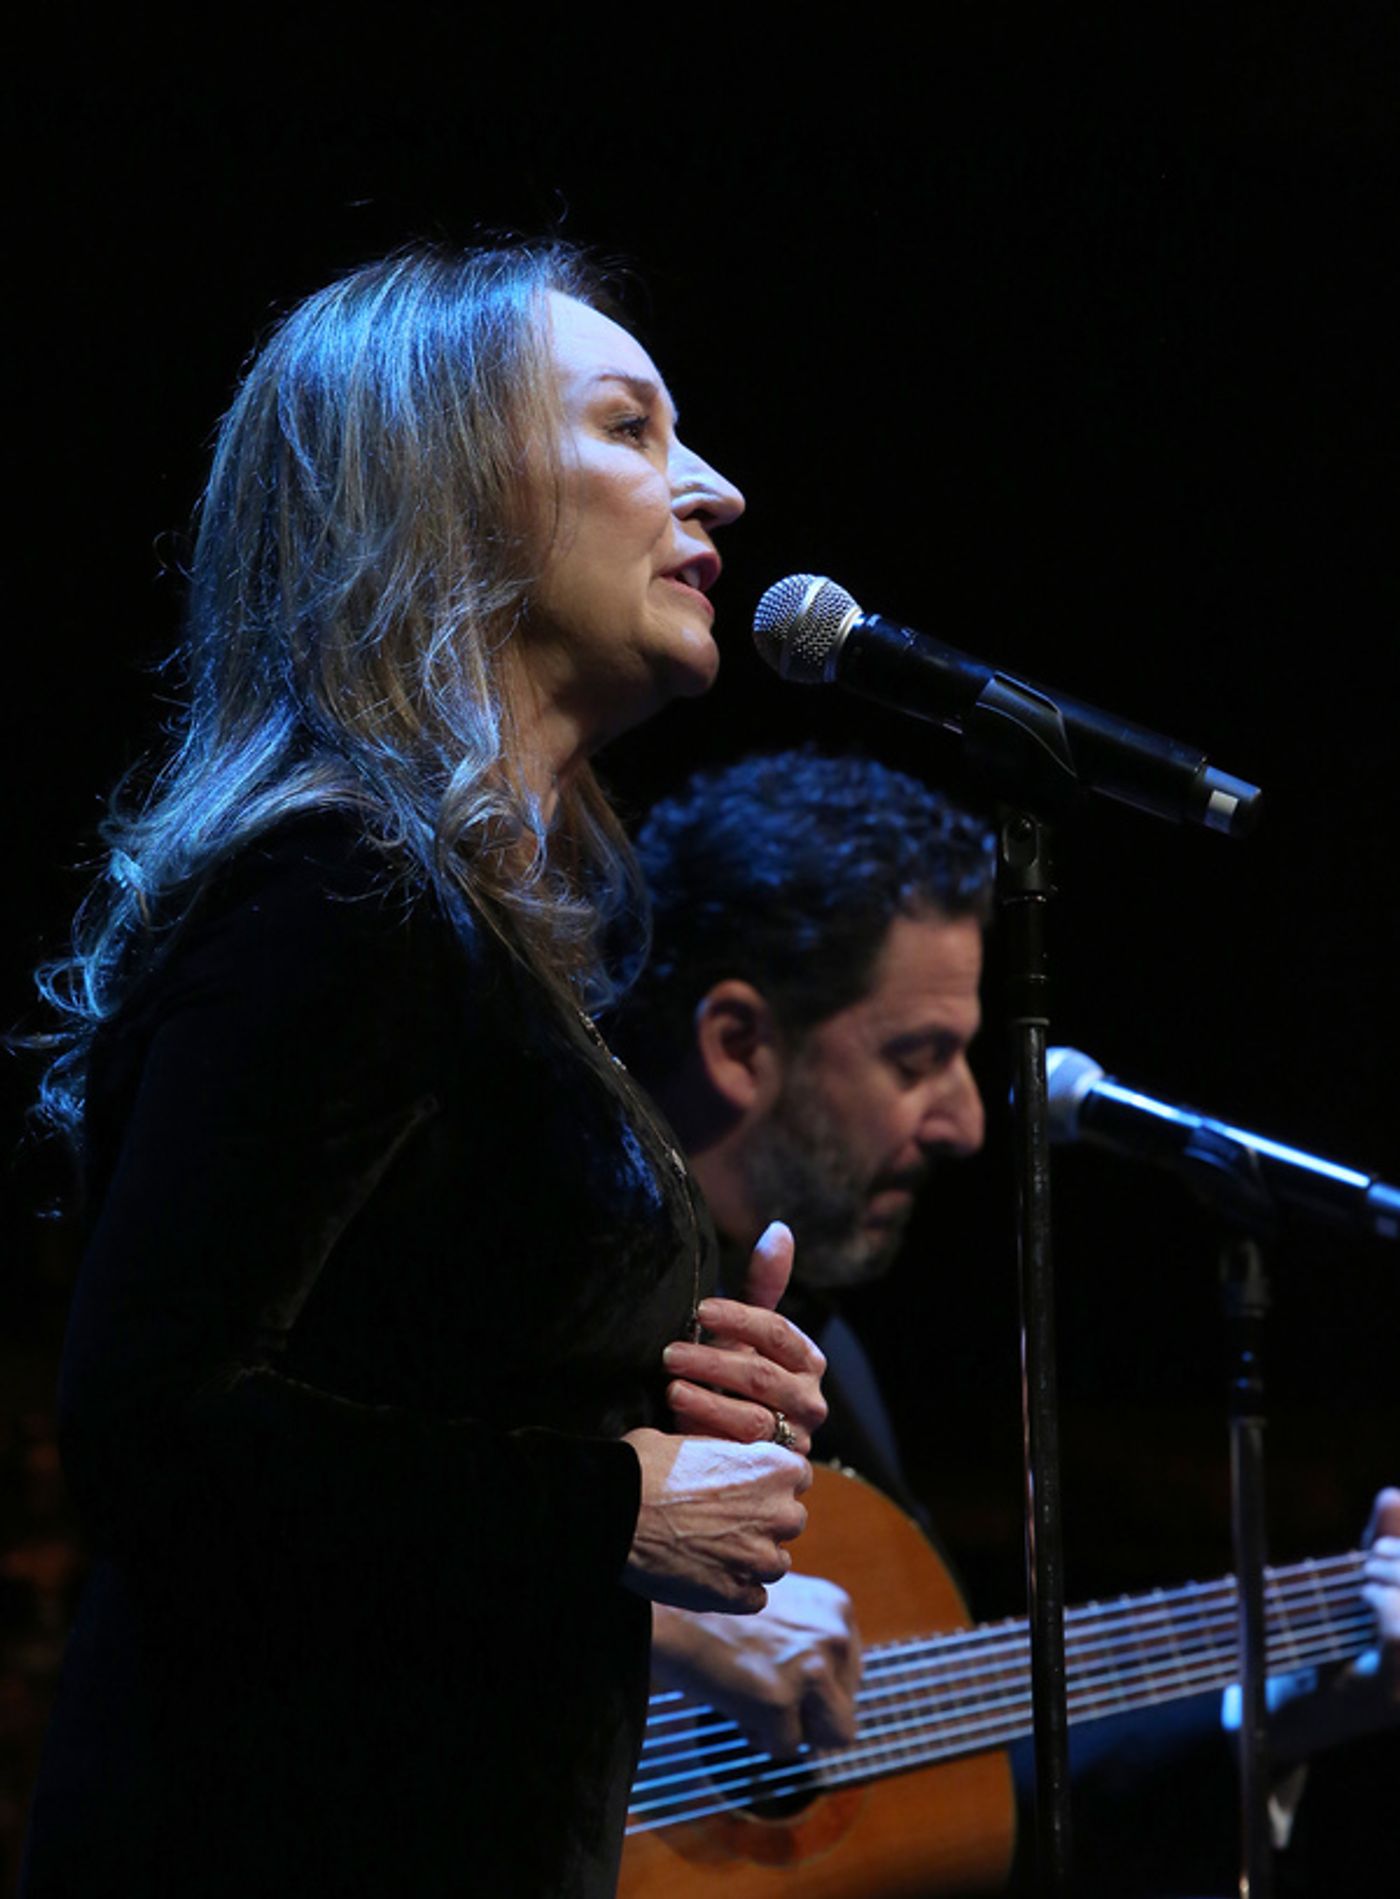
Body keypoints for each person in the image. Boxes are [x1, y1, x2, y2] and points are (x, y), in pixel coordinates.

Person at [17, 246, 828, 1899]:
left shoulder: (468, 925)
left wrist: (660, 1392)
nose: (720, 489)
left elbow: (409, 1385)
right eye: (630, 426)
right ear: (445, 492)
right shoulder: (340, 889)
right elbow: (152, 1425)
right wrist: (612, 1496)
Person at [614, 746, 1400, 1894]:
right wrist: (661, 1637)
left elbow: (934, 1773)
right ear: (738, 1044)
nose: (968, 1124)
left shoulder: (832, 1363)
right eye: (915, 1060)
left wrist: (1298, 1691)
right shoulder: (543, 1299)